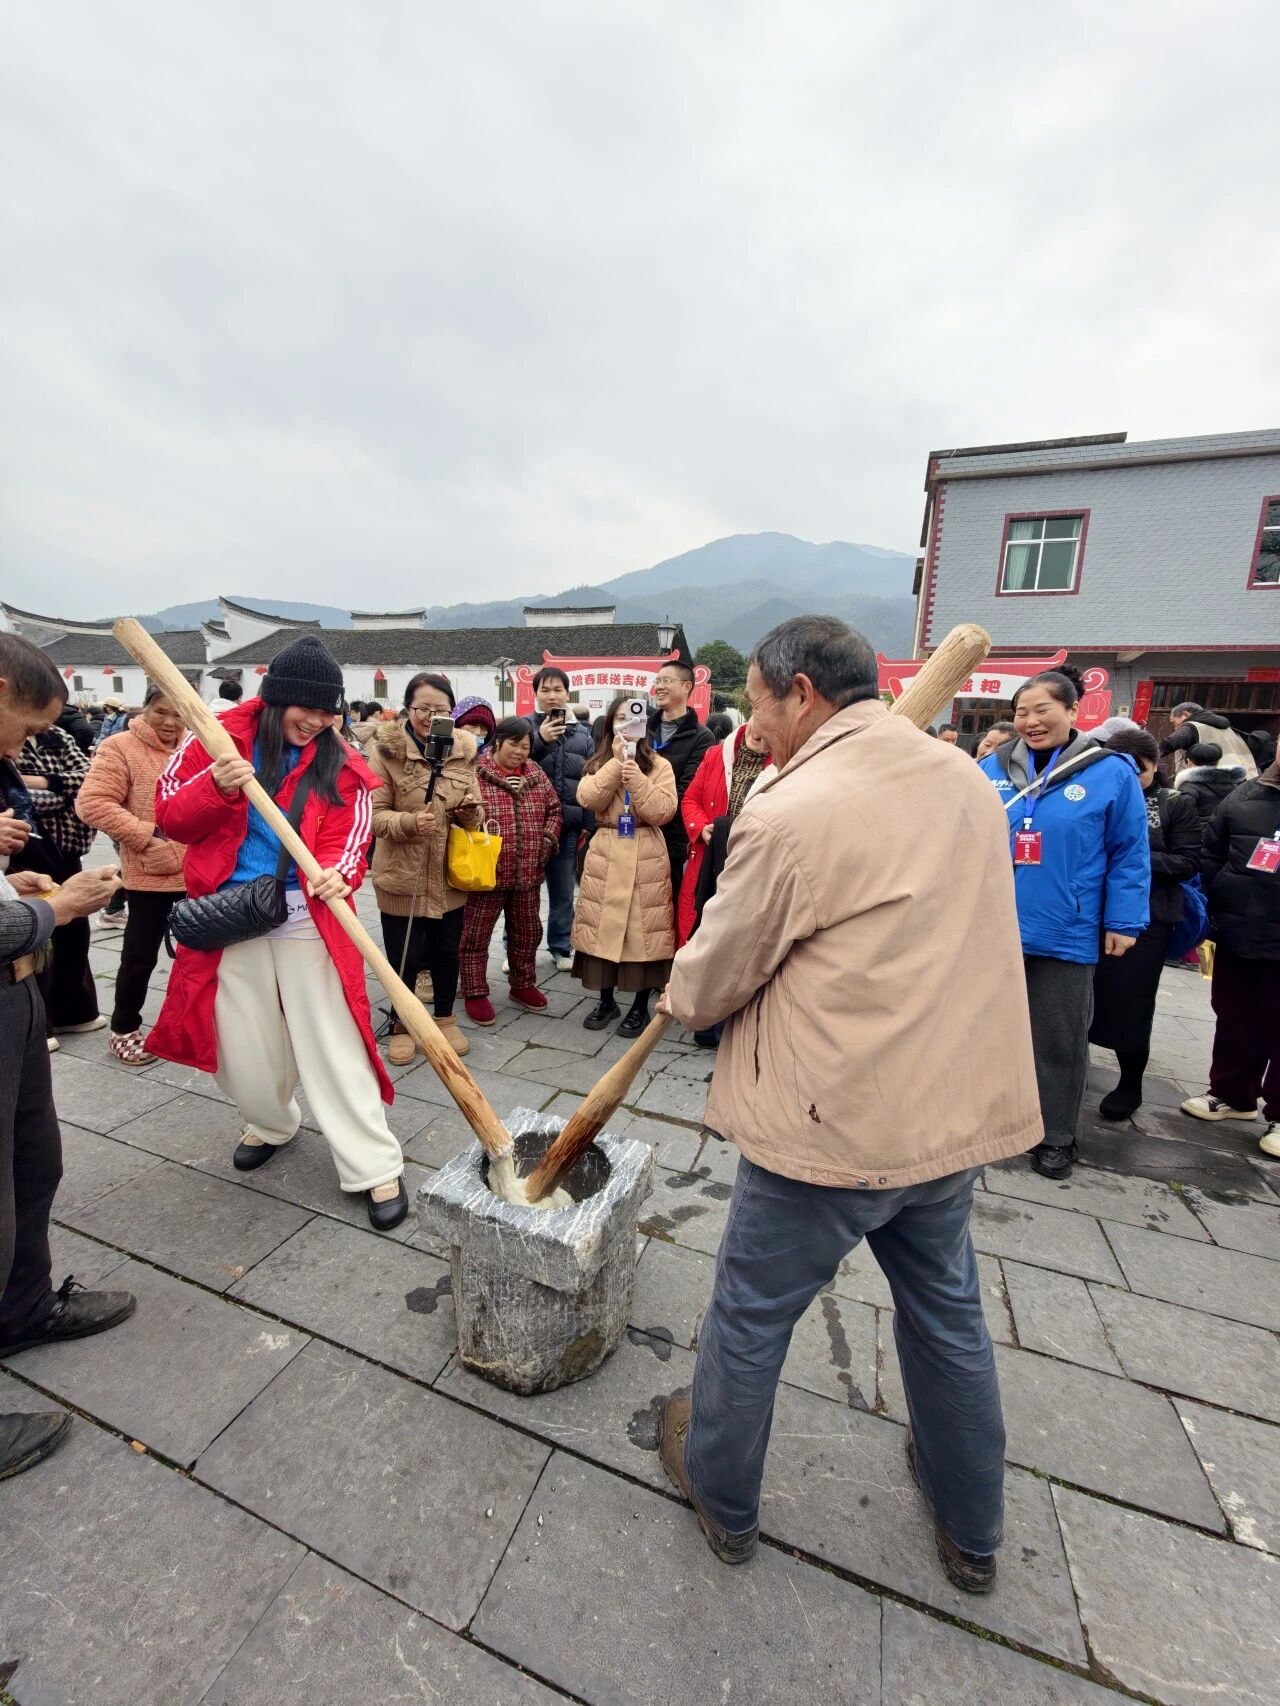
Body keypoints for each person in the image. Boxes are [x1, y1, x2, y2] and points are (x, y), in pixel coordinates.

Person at [655, 615, 1041, 1587]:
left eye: (758, 703)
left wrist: (679, 991)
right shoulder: (966, 780)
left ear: (803, 694)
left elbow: (716, 972)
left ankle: (723, 1496)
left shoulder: (793, 806)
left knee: (749, 1314)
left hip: (826, 1125)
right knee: (945, 1314)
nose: (750, 724)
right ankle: (971, 1525)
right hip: (943, 1114)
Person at [146, 636, 410, 1231]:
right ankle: (271, 1121)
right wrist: (217, 785)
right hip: (230, 913)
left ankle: (373, 1165)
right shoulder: (215, 739)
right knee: (240, 1041)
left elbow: (351, 833)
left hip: (303, 915)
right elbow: (170, 818)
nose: (316, 721)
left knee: (331, 1037)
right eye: (305, 709)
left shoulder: (338, 760)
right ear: (274, 701)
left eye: (328, 712)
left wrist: (339, 875)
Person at [1, 632, 136, 1479]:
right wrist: (61, 909)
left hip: (16, 991)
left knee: (32, 1160)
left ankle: (23, 1307)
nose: (18, 749)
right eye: (17, 726)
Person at [978, 666, 1150, 1179]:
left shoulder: (1110, 771)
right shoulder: (990, 767)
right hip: (991, 927)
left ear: (1073, 712)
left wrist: (1124, 920)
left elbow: (1129, 853)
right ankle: (988, 1121)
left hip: (1064, 929)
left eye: (1042, 710)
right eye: (1020, 713)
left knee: (1058, 1037)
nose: (1030, 721)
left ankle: (1056, 1136)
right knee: (987, 1032)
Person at [365, 673, 482, 1063]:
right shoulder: (385, 752)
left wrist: (469, 814)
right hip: (402, 872)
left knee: (448, 950)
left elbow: (476, 810)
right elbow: (373, 816)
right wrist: (410, 823)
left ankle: (446, 1018)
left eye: (441, 710)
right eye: (423, 709)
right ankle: (402, 1023)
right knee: (406, 954)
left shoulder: (464, 750)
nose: (432, 717)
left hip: (448, 872)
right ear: (407, 709)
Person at [1089, 728, 1200, 1119]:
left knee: (1130, 1002)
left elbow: (1188, 862)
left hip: (1148, 918)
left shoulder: (1173, 804)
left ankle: (1130, 1082)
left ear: (1156, 766)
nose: (1132, 776)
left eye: (1140, 769)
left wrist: (1130, 855)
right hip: (1090, 913)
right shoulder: (1098, 794)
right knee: (1081, 997)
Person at [76, 685, 188, 1066]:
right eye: (161, 711)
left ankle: (190, 1024)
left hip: (201, 872)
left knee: (201, 956)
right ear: (145, 709)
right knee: (139, 956)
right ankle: (123, 1029)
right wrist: (146, 835)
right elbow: (92, 803)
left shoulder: (198, 748)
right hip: (150, 872)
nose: (170, 722)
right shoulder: (120, 747)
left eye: (179, 713)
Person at [1182, 757, 1280, 1154]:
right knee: (1235, 1014)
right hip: (1239, 931)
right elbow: (1211, 855)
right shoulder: (1246, 794)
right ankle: (1232, 1094)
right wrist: (1217, 903)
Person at [572, 693, 678, 1037]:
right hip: (606, 847)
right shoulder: (598, 762)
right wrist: (617, 764)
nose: (626, 726)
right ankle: (605, 999)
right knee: (601, 923)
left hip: (645, 848)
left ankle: (638, 1006)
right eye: (619, 719)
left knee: (644, 930)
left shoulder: (660, 765)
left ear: (644, 726)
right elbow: (589, 798)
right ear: (609, 725)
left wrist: (637, 776)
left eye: (632, 720)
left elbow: (663, 811)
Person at [460, 717, 561, 1024]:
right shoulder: (476, 772)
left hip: (528, 872)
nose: (520, 752)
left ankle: (523, 984)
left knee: (528, 932)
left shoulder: (535, 773)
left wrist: (545, 841)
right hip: (486, 873)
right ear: (498, 742)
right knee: (475, 935)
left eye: (526, 746)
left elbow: (554, 810)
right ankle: (475, 991)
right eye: (514, 744)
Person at [12, 722, 101, 1047]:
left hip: (65, 844)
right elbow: (18, 799)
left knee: (76, 929)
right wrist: (61, 794)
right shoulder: (8, 735)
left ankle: (75, 1013)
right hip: (24, 845)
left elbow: (87, 779)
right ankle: (42, 1021)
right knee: (36, 931)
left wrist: (41, 783)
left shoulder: (57, 735)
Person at [676, 719, 771, 950]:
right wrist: (701, 827)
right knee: (695, 928)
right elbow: (690, 799)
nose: (757, 733)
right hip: (706, 860)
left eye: (766, 729)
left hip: (751, 864)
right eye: (755, 723)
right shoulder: (717, 755)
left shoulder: (785, 764)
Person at [528, 665, 595, 971]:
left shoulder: (583, 734)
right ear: (536, 694)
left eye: (558, 690)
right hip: (528, 824)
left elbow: (591, 779)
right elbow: (508, 763)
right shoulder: (523, 728)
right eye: (545, 689)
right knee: (523, 892)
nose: (552, 696)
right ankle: (517, 948)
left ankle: (560, 945)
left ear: (568, 694)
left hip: (567, 826)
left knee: (563, 889)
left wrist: (588, 824)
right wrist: (539, 739)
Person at [647, 661, 714, 904]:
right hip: (634, 829)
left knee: (665, 905)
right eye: (657, 681)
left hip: (671, 835)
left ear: (687, 686)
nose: (659, 687)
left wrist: (651, 808)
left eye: (666, 681)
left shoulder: (701, 736)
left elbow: (687, 789)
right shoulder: (641, 728)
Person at [1161, 703, 1257, 779]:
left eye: (1174, 723)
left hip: (1211, 781)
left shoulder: (1192, 726)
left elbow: (1168, 743)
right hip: (1244, 779)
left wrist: (1149, 756)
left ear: (1185, 714)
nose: (1175, 728)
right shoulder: (1230, 730)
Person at [1174, 741, 1247, 832]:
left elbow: (1184, 822)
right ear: (1217, 762)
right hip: (1234, 836)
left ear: (1189, 762)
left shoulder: (1187, 788)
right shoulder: (1238, 783)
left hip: (1201, 840)